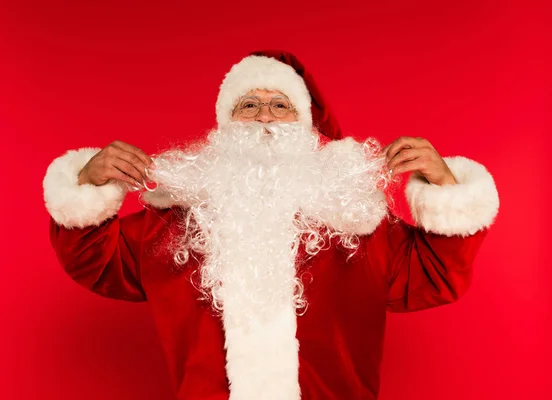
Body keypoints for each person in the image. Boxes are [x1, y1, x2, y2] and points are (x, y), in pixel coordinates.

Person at [42, 50, 500, 400]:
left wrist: (444, 185)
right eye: (248, 105)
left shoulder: (356, 220)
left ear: (305, 124)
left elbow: (436, 276)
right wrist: (86, 183)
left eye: (281, 105)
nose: (264, 116)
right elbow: (95, 263)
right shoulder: (172, 221)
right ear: (223, 126)